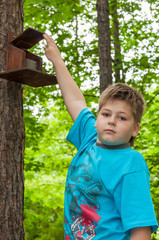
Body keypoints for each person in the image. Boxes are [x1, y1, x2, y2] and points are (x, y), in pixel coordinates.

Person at [43, 34, 158, 240]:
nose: (112, 121)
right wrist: (57, 60)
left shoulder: (131, 163)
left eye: (122, 118)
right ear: (97, 119)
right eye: (106, 114)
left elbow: (140, 229)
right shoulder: (89, 137)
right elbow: (76, 100)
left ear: (135, 129)